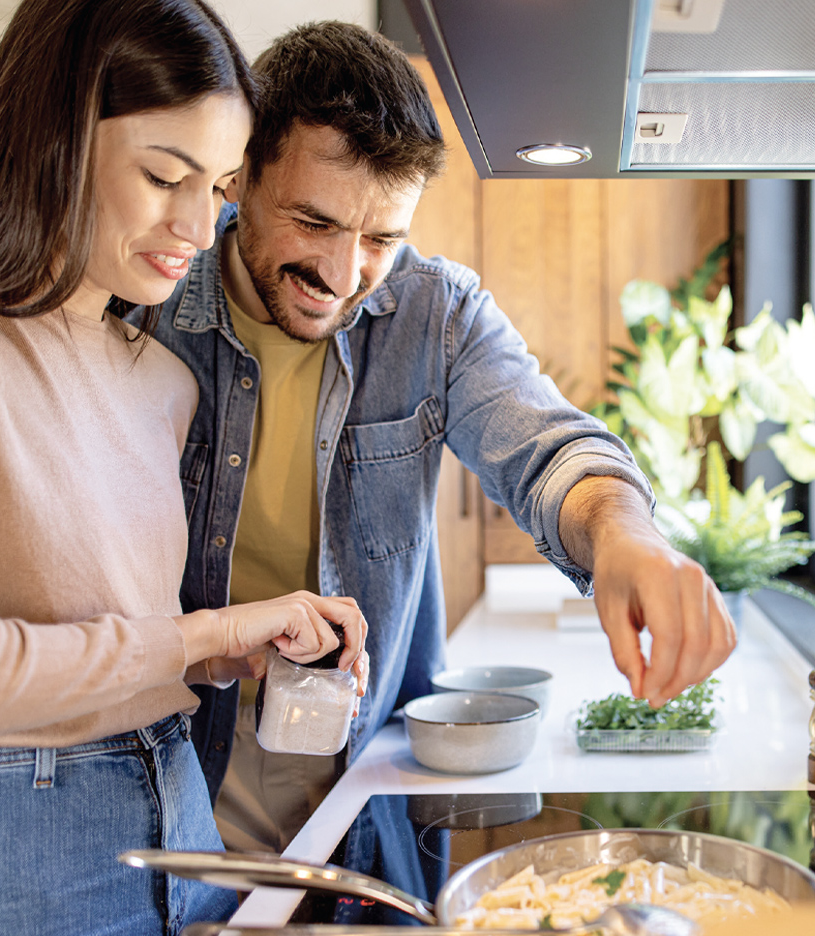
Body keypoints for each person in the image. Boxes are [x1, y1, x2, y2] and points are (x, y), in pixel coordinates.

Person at [141, 21, 737, 855]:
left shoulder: (436, 313)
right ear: (241, 174)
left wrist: (624, 535)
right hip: (170, 784)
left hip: (363, 787)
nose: (343, 276)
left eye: (382, 238)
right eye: (314, 222)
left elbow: (550, 448)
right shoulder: (148, 308)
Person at [0, 2, 368, 934]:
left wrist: (234, 650)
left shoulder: (161, 382)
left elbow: (110, 636)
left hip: (178, 815)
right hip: (4, 852)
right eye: (162, 175)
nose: (196, 224)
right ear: (55, 135)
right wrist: (199, 633)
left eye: (219, 188)